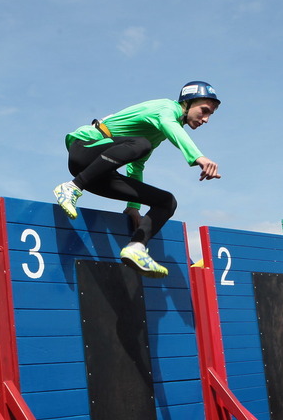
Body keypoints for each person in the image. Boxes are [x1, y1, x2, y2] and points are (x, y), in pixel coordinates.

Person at [52, 81, 222, 278]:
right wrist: (198, 157)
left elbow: (136, 165)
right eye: (204, 111)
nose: (206, 119)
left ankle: (137, 247)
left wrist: (133, 206)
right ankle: (71, 187)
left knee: (167, 201)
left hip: (99, 173)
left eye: (210, 115)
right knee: (141, 144)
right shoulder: (166, 109)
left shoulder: (156, 135)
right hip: (85, 148)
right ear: (188, 103)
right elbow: (170, 126)